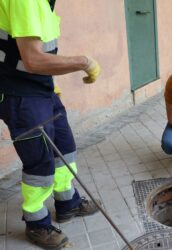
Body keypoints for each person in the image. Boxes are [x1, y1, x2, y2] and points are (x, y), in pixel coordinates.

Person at [0, 1, 101, 249]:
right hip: (20, 93)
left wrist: (51, 85)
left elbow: (39, 53)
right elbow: (33, 59)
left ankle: (68, 203)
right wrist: (84, 62)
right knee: (40, 163)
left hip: (42, 88)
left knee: (64, 147)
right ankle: (37, 223)